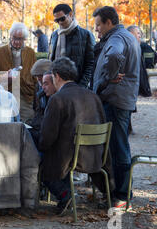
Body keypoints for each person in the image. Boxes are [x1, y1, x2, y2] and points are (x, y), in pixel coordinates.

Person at [37, 57, 107, 215]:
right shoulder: (92, 96)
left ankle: (64, 193)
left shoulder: (57, 99)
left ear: (57, 76)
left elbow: (46, 139)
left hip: (71, 159)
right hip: (96, 155)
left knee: (41, 154)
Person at [92, 6, 140, 210]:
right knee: (119, 147)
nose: (97, 30)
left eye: (98, 25)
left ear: (108, 22)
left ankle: (122, 196)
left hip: (115, 100)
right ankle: (121, 193)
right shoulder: (126, 35)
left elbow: (114, 56)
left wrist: (108, 78)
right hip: (122, 99)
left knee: (119, 148)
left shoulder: (116, 38)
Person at [0, 22, 37, 123]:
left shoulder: (30, 53)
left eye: (19, 39)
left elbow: (35, 76)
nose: (16, 41)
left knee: (27, 124)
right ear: (10, 36)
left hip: (25, 96)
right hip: (6, 95)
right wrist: (4, 77)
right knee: (7, 124)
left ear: (24, 39)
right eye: (14, 38)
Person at [49, 4, 95, 88]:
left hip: (77, 86)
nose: (60, 22)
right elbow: (51, 60)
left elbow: (91, 64)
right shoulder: (54, 35)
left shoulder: (86, 35)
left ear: (70, 14)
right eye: (57, 20)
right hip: (56, 85)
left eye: (62, 19)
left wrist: (82, 86)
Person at [27, 59, 53, 142]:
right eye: (36, 76)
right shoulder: (38, 87)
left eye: (40, 76)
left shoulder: (54, 90)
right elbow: (36, 109)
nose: (38, 79)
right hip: (39, 125)